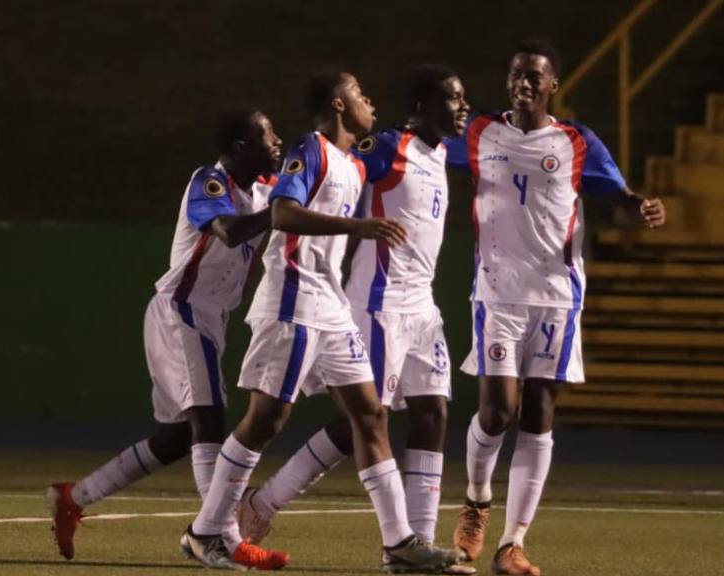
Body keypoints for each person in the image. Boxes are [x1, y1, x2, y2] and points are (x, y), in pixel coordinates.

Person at [180, 69, 459, 573]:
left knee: (371, 415)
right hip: (293, 299)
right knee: (266, 420)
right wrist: (359, 226)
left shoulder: (353, 164)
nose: (369, 100)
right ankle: (205, 531)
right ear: (337, 104)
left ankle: (400, 544)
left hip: (329, 304)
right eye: (359, 94)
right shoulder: (309, 150)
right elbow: (284, 214)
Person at [447, 39, 666, 576]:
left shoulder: (576, 142)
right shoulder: (477, 133)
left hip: (556, 296)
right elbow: (422, 147)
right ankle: (476, 502)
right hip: (497, 291)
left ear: (552, 86)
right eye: (516, 74)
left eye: (534, 76)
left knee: (540, 412)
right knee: (497, 411)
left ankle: (512, 544)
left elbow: (619, 194)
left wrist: (641, 206)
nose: (523, 83)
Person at [45, 109, 283, 569]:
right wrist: (278, 212)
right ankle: (218, 536)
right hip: (182, 310)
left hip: (209, 317)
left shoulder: (265, 191)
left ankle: (74, 497)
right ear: (240, 147)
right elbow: (228, 232)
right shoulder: (210, 183)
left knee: (177, 438)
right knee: (209, 421)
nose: (278, 141)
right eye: (267, 134)